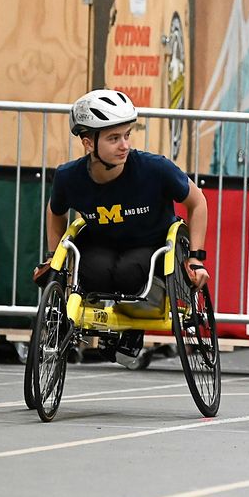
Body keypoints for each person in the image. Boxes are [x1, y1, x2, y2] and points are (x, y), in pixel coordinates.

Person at [38, 89, 210, 362]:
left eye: (127, 136)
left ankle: (132, 327)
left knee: (131, 274)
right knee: (92, 274)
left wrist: (196, 258)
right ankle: (92, 330)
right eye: (114, 138)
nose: (124, 145)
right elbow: (55, 210)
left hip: (149, 243)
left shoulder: (155, 169)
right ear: (88, 143)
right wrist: (51, 258)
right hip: (102, 243)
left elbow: (197, 202)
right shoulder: (68, 177)